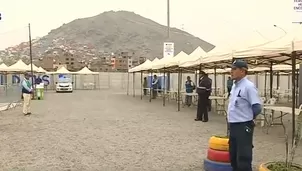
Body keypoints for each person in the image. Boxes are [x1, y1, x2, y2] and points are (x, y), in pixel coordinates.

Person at [228, 59, 262, 171]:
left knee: (243, 158)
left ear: (243, 71)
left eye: (234, 69)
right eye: (231, 69)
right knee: (233, 156)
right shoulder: (234, 86)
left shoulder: (248, 86)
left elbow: (257, 107)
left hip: (243, 125)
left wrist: (247, 119)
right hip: (233, 125)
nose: (231, 71)